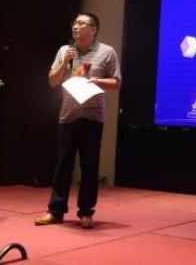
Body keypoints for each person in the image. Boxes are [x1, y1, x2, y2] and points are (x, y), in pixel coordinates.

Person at [34, 12, 121, 229]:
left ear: (93, 29)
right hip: (68, 115)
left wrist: (97, 81)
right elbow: (53, 81)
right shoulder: (65, 51)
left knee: (89, 167)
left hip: (92, 117)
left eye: (81, 23)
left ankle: (86, 213)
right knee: (62, 165)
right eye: (74, 23)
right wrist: (64, 63)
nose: (75, 26)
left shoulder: (106, 52)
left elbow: (116, 83)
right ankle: (55, 211)